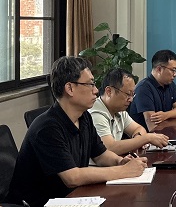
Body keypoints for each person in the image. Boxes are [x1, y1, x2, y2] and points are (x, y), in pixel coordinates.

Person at [7, 56, 147, 207]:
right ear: (70, 88)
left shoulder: (84, 117)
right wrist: (124, 171)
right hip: (38, 203)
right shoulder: (47, 127)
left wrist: (120, 161)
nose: (96, 91)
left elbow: (100, 155)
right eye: (90, 84)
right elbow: (72, 177)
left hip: (71, 197)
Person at [90, 68, 170, 155]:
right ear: (109, 91)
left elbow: (138, 128)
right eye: (128, 94)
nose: (131, 99)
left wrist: (138, 139)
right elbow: (109, 148)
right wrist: (146, 138)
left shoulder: (119, 111)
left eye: (132, 95)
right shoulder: (96, 114)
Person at [128, 49, 176, 131]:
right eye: (173, 70)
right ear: (159, 69)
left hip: (163, 132)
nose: (175, 74)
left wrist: (165, 115)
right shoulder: (144, 88)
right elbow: (152, 125)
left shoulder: (170, 84)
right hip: (145, 136)